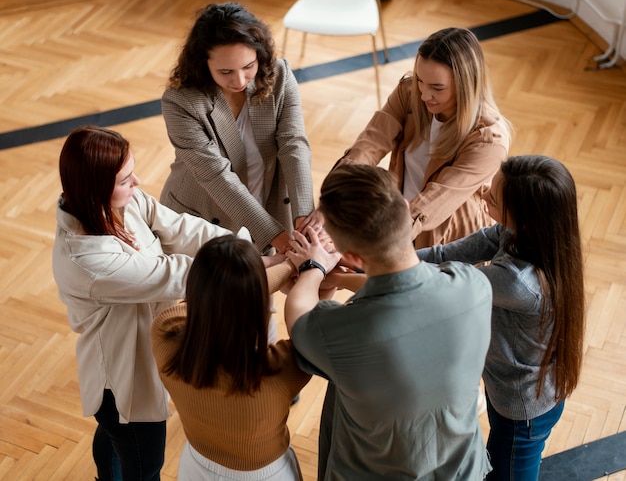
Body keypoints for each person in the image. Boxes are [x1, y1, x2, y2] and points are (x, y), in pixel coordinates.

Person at [284, 164, 493, 480]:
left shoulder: (342, 332)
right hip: (462, 469)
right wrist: (342, 277)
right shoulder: (473, 286)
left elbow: (299, 315)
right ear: (406, 208)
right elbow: (409, 282)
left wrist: (315, 267)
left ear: (352, 255)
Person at [52, 125, 233, 480]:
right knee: (144, 466)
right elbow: (170, 274)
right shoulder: (86, 260)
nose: (137, 182)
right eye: (125, 179)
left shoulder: (121, 201)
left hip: (138, 360)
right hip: (122, 382)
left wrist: (237, 245)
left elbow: (182, 228)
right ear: (95, 187)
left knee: (115, 438)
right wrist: (246, 263)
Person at [416, 155, 585, 480]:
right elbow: (443, 256)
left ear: (522, 218)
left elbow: (442, 281)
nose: (482, 191)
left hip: (521, 412)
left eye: (492, 197)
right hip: (520, 394)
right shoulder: (525, 237)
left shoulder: (517, 282)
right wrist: (374, 259)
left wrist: (372, 262)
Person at [159, 2, 318, 255]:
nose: (240, 81)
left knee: (263, 291)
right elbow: (216, 176)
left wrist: (304, 218)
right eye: (225, 71)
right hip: (201, 217)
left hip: (266, 205)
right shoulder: (180, 102)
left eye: (248, 67)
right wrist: (279, 238)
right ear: (203, 64)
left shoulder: (280, 75)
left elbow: (293, 144)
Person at [151, 235, 311, 481]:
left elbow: (214, 300)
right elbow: (311, 329)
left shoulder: (165, 335)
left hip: (195, 467)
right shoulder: (281, 369)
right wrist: (308, 269)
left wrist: (286, 265)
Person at [337, 27, 511, 249]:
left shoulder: (489, 140)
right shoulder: (408, 93)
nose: (423, 95)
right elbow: (371, 143)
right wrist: (337, 193)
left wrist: (383, 235)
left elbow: (438, 196)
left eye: (437, 88)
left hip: (448, 241)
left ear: (466, 85)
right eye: (420, 80)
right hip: (397, 220)